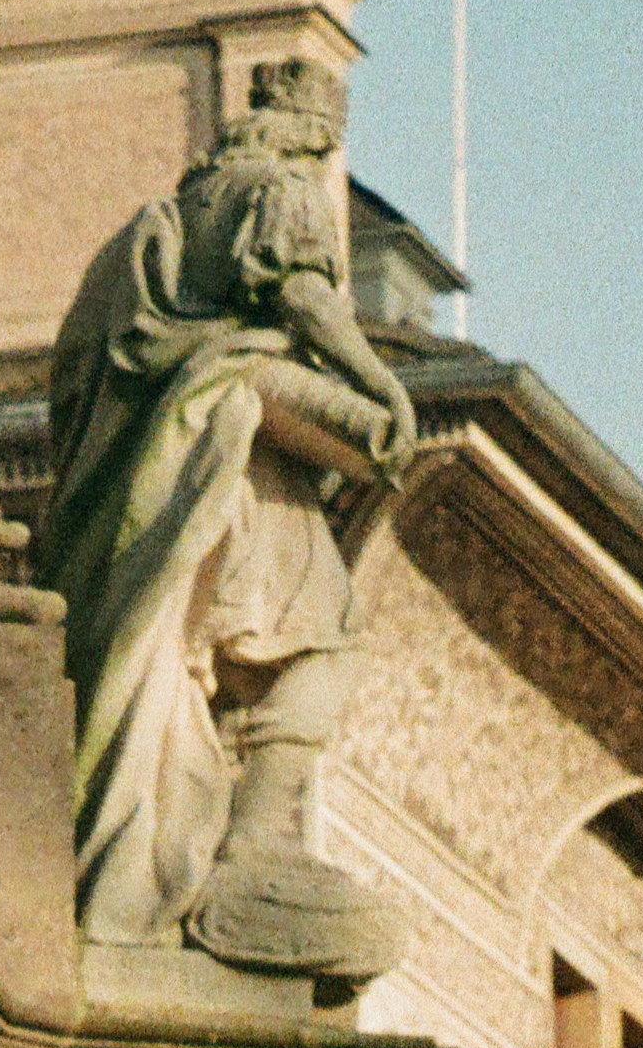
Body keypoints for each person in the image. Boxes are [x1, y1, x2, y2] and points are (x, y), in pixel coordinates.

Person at [37, 57, 422, 969]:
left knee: (217, 669)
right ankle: (251, 846)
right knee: (323, 647)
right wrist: (380, 382)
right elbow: (303, 297)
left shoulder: (160, 225)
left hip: (177, 468)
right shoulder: (280, 193)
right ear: (312, 140)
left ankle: (218, 838)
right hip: (235, 465)